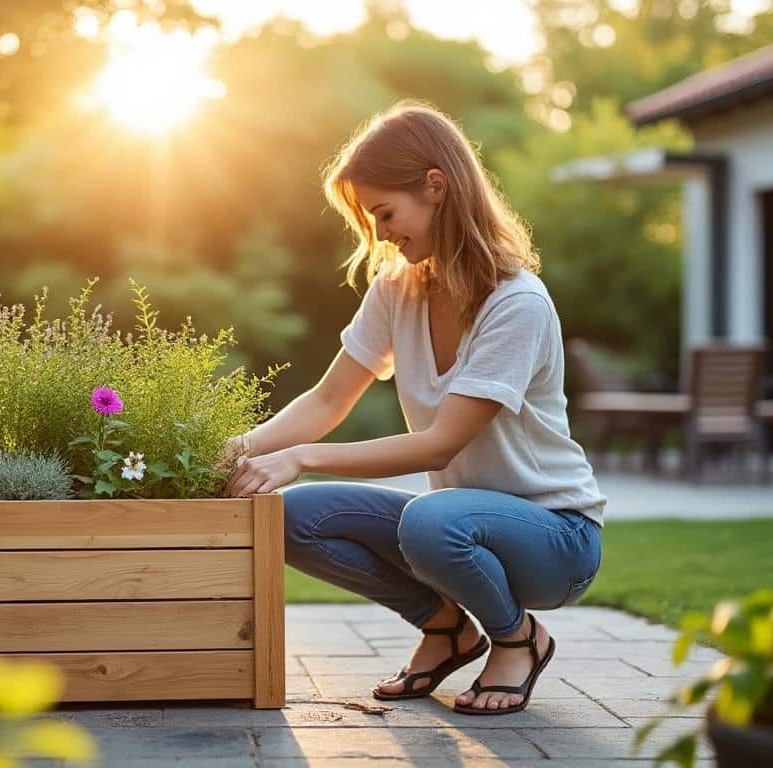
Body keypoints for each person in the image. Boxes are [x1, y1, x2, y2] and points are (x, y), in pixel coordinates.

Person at [220, 100, 605, 716]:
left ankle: (518, 638)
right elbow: (327, 397)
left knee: (430, 522)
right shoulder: (398, 288)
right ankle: (448, 629)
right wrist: (237, 450)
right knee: (290, 516)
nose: (380, 235)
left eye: (384, 213)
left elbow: (438, 444)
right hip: (459, 524)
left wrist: (304, 456)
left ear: (436, 186)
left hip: (556, 538)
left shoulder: (516, 303)